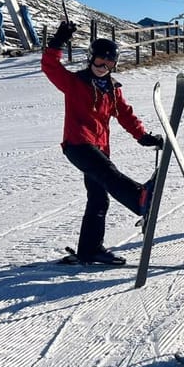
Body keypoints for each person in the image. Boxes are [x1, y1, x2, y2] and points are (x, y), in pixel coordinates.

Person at [41, 21, 164, 265]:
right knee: (108, 173)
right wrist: (58, 41)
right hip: (77, 145)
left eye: (109, 63)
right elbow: (50, 66)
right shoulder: (75, 83)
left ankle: (90, 249)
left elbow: (125, 115)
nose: (103, 67)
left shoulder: (112, 90)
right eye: (99, 61)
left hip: (99, 147)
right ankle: (138, 197)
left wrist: (142, 137)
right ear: (90, 59)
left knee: (99, 198)